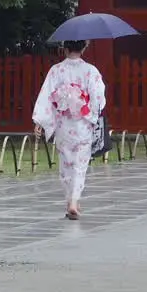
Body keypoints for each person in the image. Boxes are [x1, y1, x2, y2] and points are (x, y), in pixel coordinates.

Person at [32, 40, 106, 220]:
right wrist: (92, 113)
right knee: (80, 164)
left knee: (66, 163)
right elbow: (98, 97)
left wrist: (40, 121)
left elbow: (46, 95)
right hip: (82, 123)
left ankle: (70, 201)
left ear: (64, 48)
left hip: (63, 123)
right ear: (84, 47)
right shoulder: (90, 71)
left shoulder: (56, 70)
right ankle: (74, 200)